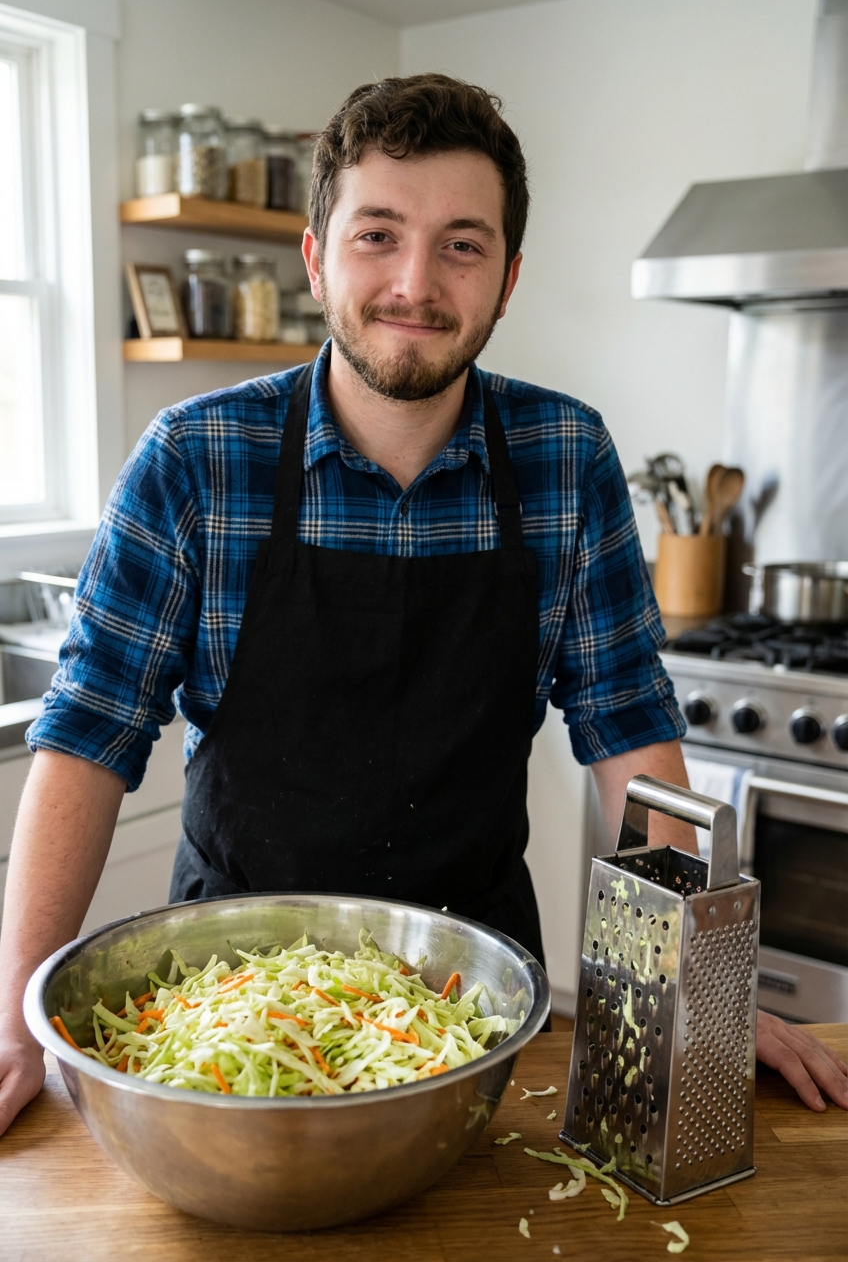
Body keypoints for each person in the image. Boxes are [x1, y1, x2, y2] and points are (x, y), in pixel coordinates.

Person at [0, 74, 845, 1136]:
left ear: (506, 279)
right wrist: (16, 1021)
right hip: (226, 1006)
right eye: (377, 235)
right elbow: (84, 738)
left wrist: (706, 990)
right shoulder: (194, 460)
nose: (414, 282)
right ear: (315, 257)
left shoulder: (564, 458)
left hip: (474, 1008)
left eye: (460, 243)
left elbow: (628, 736)